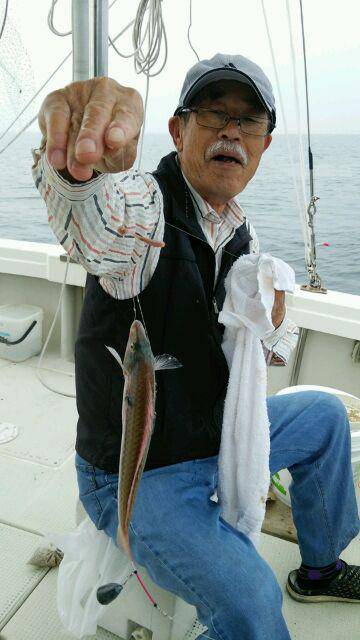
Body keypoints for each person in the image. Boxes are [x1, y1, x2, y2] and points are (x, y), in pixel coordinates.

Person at [32, 54, 360, 640]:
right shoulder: (144, 207)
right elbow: (94, 227)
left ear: (263, 145)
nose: (232, 131)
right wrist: (79, 173)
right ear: (179, 130)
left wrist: (269, 316)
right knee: (254, 604)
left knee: (325, 415)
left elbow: (268, 351)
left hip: (212, 434)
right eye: (213, 115)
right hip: (136, 472)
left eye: (249, 122)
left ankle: (320, 567)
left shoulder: (242, 234)